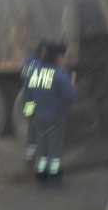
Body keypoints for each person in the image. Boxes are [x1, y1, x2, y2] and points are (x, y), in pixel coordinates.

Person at [27, 41, 77, 185]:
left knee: (41, 149)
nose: (62, 59)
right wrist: (73, 83)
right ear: (56, 57)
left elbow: (29, 95)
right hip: (55, 118)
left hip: (38, 118)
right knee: (54, 151)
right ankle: (54, 180)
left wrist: (29, 115)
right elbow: (70, 96)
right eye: (61, 56)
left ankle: (41, 178)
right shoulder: (59, 75)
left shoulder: (35, 72)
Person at [21, 41, 49, 165]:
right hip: (36, 101)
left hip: (28, 101)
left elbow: (25, 78)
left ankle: (29, 157)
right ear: (41, 51)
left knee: (31, 128)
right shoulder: (40, 64)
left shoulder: (28, 61)